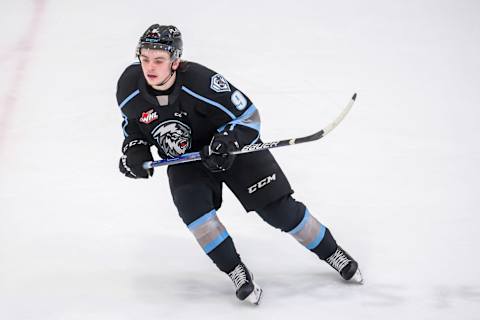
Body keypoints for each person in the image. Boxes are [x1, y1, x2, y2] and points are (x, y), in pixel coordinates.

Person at [116, 24, 362, 305]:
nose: (150, 66)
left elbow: (249, 117)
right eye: (145, 58)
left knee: (278, 211)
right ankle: (236, 271)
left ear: (175, 61)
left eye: (158, 59)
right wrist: (134, 150)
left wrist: (227, 141)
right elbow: (132, 125)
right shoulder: (128, 86)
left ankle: (333, 252)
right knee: (198, 217)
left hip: (232, 151)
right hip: (186, 161)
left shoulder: (201, 82)